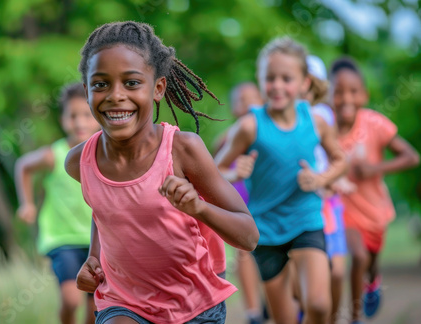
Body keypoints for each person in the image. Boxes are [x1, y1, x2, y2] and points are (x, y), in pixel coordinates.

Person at [65, 21, 259, 324]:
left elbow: (248, 236)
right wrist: (93, 256)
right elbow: (104, 209)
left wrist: (199, 208)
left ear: (158, 88)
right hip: (124, 303)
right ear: (87, 90)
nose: (115, 95)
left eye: (131, 83)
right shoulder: (80, 162)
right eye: (101, 84)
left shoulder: (183, 150)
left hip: (195, 305)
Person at [215, 37, 347, 324]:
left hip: (306, 219)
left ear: (304, 83)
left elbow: (340, 159)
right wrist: (235, 173)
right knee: (284, 319)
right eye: (269, 78)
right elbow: (215, 170)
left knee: (320, 305)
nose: (277, 85)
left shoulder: (315, 122)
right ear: (261, 81)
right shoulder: (250, 126)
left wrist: (321, 178)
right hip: (266, 229)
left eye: (286, 78)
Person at [329, 57, 420, 323]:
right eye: (338, 91)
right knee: (357, 256)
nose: (346, 98)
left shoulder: (374, 124)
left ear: (364, 95)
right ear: (329, 95)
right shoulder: (325, 129)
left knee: (370, 261)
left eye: (353, 91)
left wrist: (374, 169)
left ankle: (373, 281)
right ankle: (355, 316)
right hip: (343, 209)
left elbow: (411, 157)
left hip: (374, 210)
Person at [14, 83, 100, 324]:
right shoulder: (55, 153)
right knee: (71, 300)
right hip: (62, 239)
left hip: (97, 240)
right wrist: (27, 204)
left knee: (95, 307)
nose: (80, 122)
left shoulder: (104, 153)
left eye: (86, 115)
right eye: (73, 116)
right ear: (63, 119)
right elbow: (23, 166)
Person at [301, 55, 348, 324]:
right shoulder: (281, 119)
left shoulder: (323, 116)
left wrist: (329, 179)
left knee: (337, 272)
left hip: (327, 204)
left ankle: (330, 318)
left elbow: (336, 157)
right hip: (303, 205)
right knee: (305, 279)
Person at [214, 82, 266, 324]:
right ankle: (253, 311)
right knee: (244, 254)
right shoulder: (228, 138)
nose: (246, 104)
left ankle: (272, 300)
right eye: (240, 100)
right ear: (234, 108)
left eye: (251, 98)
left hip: (267, 204)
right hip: (242, 205)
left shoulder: (268, 131)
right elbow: (215, 169)